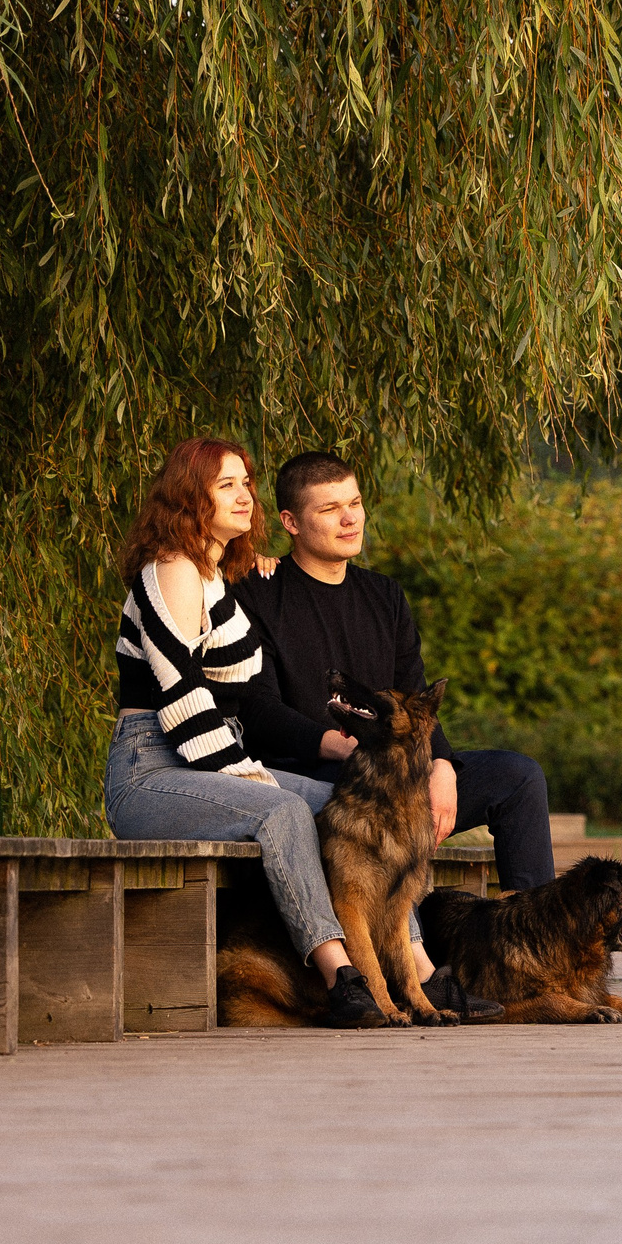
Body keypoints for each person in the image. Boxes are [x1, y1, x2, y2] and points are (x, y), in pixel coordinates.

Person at [104, 437, 493, 1027]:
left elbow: (238, 684)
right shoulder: (172, 570)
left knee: (352, 806)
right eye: (226, 485)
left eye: (246, 482)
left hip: (203, 762)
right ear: (190, 498)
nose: (245, 495)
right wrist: (245, 773)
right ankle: (342, 977)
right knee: (282, 812)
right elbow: (182, 697)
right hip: (152, 769)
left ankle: (416, 969)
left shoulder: (215, 575)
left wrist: (259, 565)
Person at [234, 450, 559, 893]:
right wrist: (344, 748)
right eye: (330, 509)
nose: (350, 519)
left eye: (355, 503)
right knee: (379, 793)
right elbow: (259, 710)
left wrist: (441, 763)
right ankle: (410, 950)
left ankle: (531, 946)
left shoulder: (384, 594)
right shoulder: (258, 591)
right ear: (291, 523)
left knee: (517, 777)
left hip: (396, 768)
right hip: (314, 781)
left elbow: (415, 693)